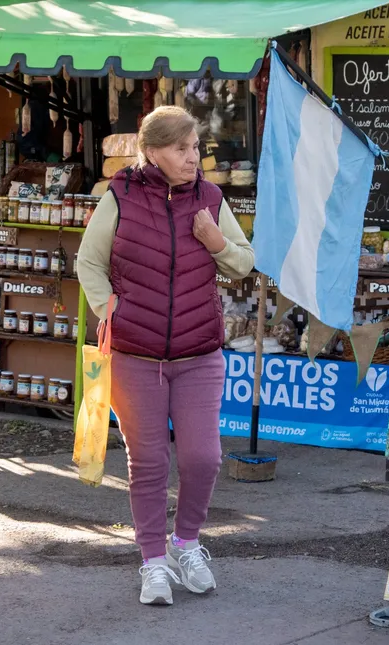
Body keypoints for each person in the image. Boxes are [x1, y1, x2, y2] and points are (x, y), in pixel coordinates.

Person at [77, 106, 255, 606]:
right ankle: (153, 561)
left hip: (200, 354)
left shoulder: (210, 198)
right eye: (181, 148)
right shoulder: (121, 196)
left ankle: (187, 544)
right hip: (135, 355)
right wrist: (110, 307)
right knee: (149, 463)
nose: (192, 157)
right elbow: (88, 261)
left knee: (203, 458)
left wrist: (213, 239)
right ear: (152, 151)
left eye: (196, 147)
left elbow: (243, 262)